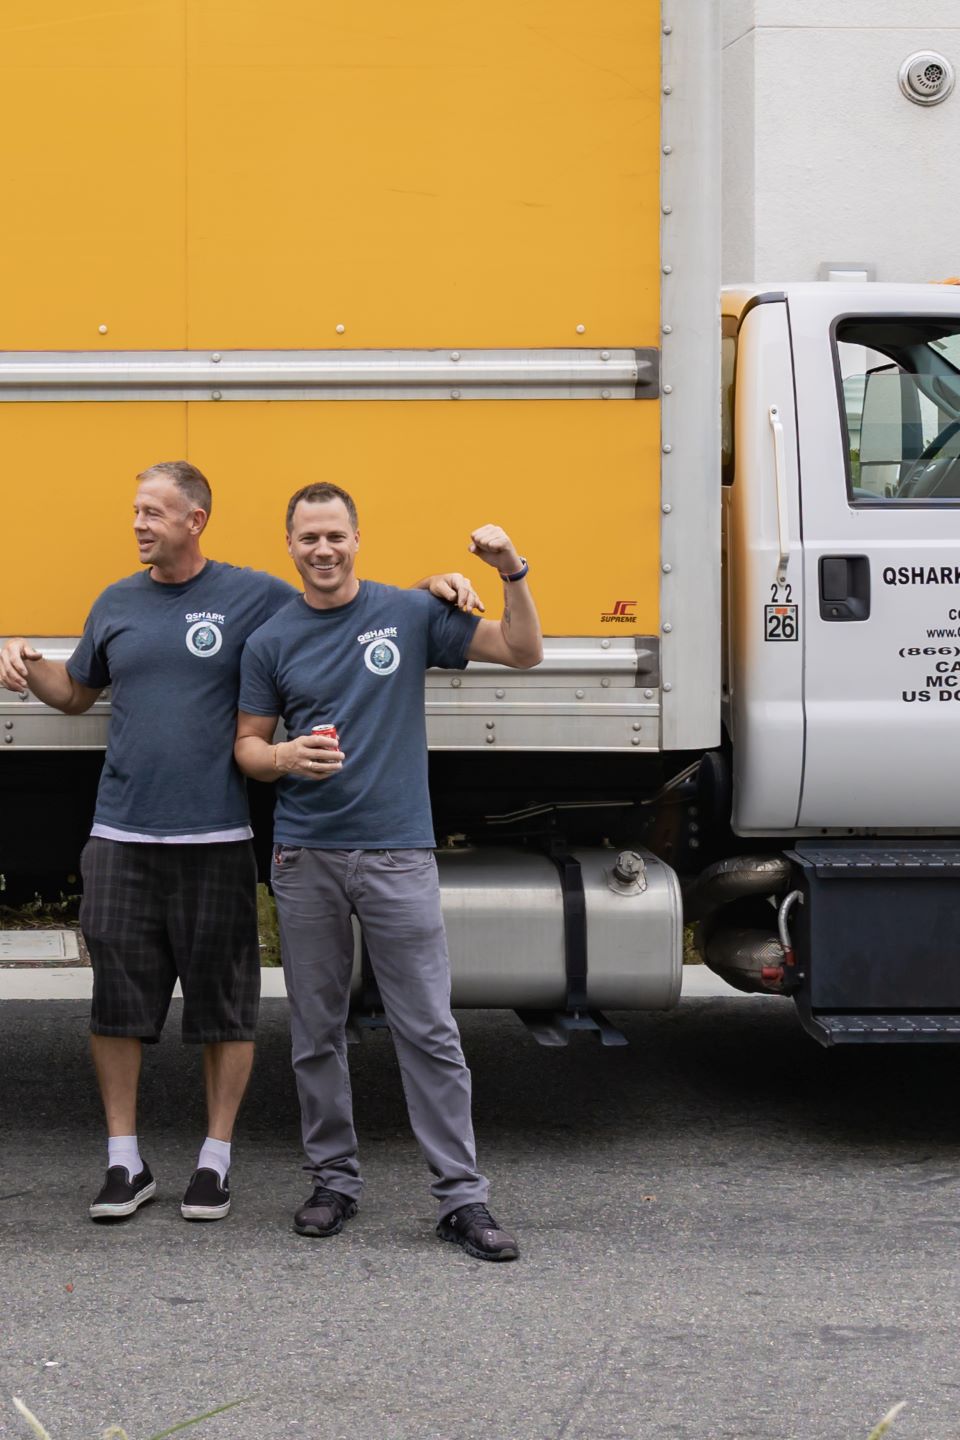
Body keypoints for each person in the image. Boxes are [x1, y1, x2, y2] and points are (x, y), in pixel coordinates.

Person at [0, 461, 481, 1225]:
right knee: (118, 1006)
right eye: (135, 510)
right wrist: (26, 660)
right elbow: (75, 693)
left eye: (153, 512)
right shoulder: (115, 602)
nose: (137, 524)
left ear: (195, 520)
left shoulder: (253, 594)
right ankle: (125, 1163)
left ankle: (214, 1164)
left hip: (220, 834)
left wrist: (434, 587)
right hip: (120, 831)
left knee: (227, 1010)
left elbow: (338, 597)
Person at [234, 482, 542, 1261]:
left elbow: (522, 651)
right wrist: (282, 758)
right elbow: (247, 746)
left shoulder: (408, 613)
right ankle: (333, 1181)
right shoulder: (271, 639)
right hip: (305, 856)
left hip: (398, 853)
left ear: (357, 538)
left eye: (335, 535)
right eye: (309, 538)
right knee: (315, 1030)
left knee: (429, 1029)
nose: (324, 550)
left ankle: (462, 1199)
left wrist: (511, 572)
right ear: (291, 546)